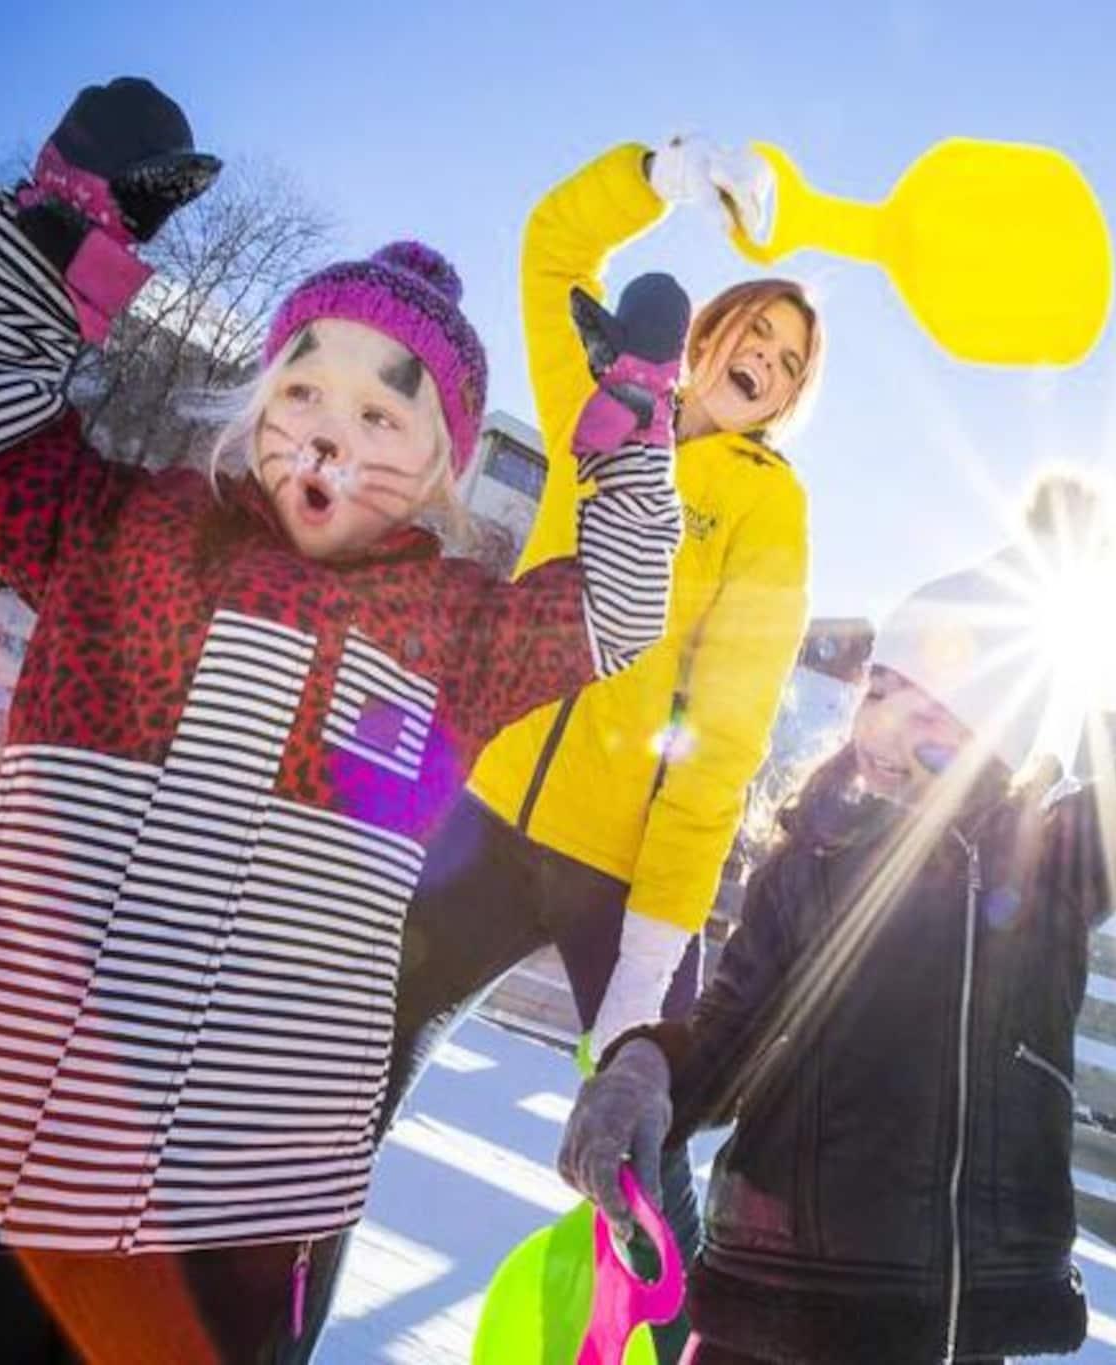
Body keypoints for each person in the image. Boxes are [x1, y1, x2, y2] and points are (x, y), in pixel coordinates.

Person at [0, 78, 683, 1363]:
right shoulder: (121, 530)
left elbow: (619, 607)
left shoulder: (456, 632)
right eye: (303, 392)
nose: (329, 438)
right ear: (255, 404)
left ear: (445, 466)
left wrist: (628, 425)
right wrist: (62, 227)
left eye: (382, 413)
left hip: (220, 1230)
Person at [315, 135, 826, 1360]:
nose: (764, 362)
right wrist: (659, 174)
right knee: (333, 1099)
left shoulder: (766, 504)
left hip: (624, 870)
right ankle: (252, 1318)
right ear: (709, 333)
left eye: (789, 364)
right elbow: (554, 251)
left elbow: (728, 730)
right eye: (756, 333)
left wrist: (659, 937)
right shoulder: (600, 405)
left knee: (643, 1159)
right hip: (483, 818)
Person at [556, 542, 1116, 1364]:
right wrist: (648, 1067)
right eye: (880, 690)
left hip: (946, 1330)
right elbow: (727, 1034)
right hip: (771, 1307)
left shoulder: (1048, 866)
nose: (887, 726)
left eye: (932, 712)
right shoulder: (807, 866)